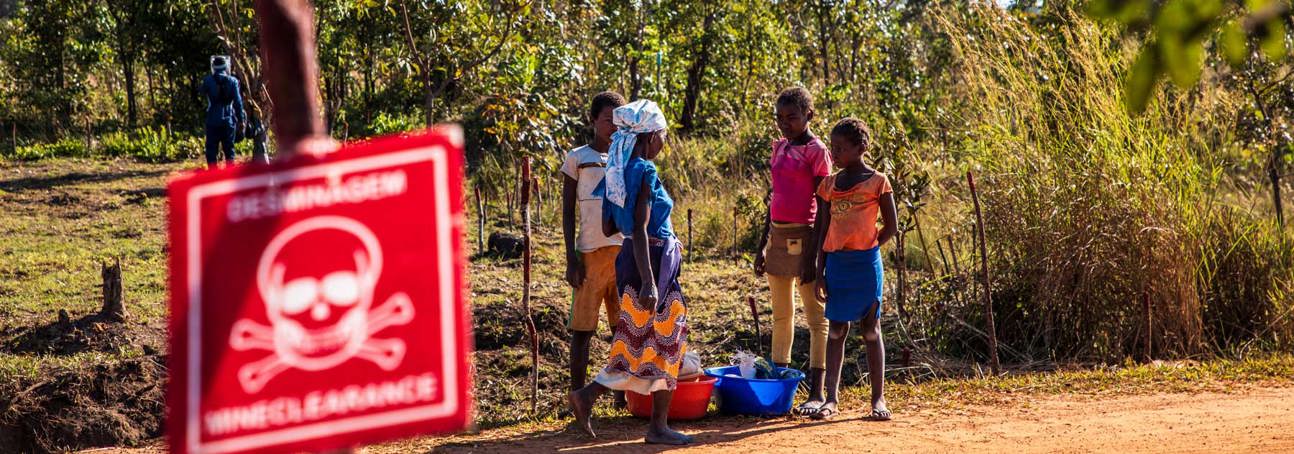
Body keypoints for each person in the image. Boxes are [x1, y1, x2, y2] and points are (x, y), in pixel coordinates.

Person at [569, 99, 693, 445]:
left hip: (630, 260)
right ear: (650, 136)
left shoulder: (616, 170)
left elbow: (611, 226)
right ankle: (657, 426)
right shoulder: (645, 171)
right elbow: (639, 229)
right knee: (668, 339)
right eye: (663, 135)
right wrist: (651, 283)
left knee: (637, 339)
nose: (664, 142)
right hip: (650, 263)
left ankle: (589, 396)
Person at [752, 87, 831, 416]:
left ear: (808, 116)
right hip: (778, 236)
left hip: (807, 237)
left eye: (792, 117)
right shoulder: (781, 147)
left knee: (816, 318)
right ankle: (779, 386)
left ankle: (816, 390)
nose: (784, 124)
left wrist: (816, 255)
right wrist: (762, 245)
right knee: (782, 315)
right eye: (780, 118)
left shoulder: (816, 151)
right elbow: (774, 199)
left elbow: (824, 205)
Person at [812, 117, 897, 421]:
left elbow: (891, 226)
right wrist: (820, 269)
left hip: (866, 265)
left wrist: (870, 248)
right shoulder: (829, 184)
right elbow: (821, 230)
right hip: (837, 264)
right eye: (832, 147)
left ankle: (878, 400)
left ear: (861, 148)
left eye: (841, 148)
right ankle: (831, 399)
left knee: (870, 330)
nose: (834, 153)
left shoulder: (879, 182)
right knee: (836, 330)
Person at [561, 91, 627, 402]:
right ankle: (577, 395)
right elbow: (567, 211)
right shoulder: (578, 158)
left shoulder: (627, 158)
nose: (613, 127)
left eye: (618, 121)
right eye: (607, 120)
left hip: (622, 254)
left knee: (622, 329)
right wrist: (570, 260)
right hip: (588, 255)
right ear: (593, 121)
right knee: (583, 330)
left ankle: (620, 395)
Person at [199, 55, 246, 168]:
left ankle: (213, 176)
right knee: (229, 150)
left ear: (213, 67)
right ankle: (230, 176)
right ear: (226, 66)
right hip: (228, 120)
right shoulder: (233, 81)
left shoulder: (207, 80)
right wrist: (241, 120)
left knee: (211, 151)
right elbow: (238, 102)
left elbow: (201, 92)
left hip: (212, 121)